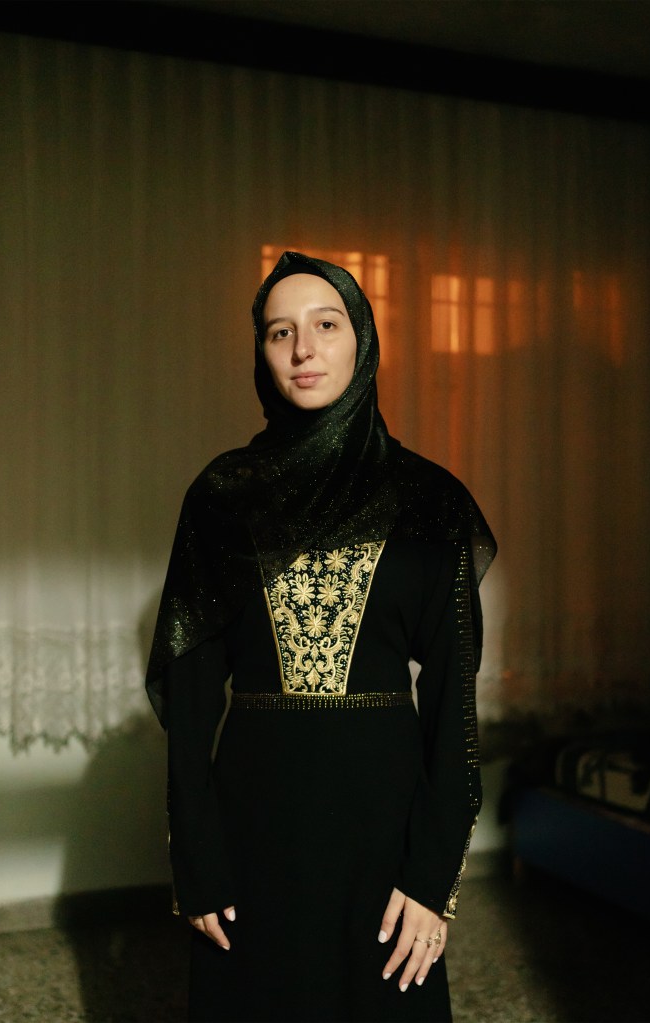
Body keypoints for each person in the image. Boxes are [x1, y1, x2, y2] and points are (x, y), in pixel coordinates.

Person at [145, 251, 496, 1022]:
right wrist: (196, 859)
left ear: (361, 340)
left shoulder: (430, 501)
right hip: (253, 829)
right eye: (279, 332)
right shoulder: (220, 496)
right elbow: (193, 694)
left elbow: (451, 710)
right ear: (261, 353)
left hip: (383, 833)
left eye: (325, 325)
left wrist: (431, 878)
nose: (303, 350)